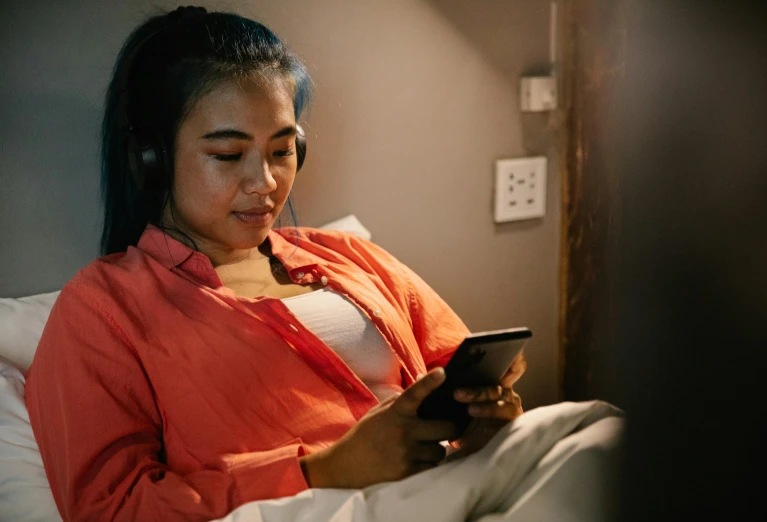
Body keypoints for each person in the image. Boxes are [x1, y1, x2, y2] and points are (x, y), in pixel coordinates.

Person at [25, 6, 526, 521]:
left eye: (283, 150)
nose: (265, 183)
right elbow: (112, 509)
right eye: (226, 155)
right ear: (150, 159)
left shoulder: (349, 257)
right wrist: (325, 469)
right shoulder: (103, 310)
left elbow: (458, 367)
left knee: (593, 431)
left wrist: (486, 418)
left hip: (459, 493)